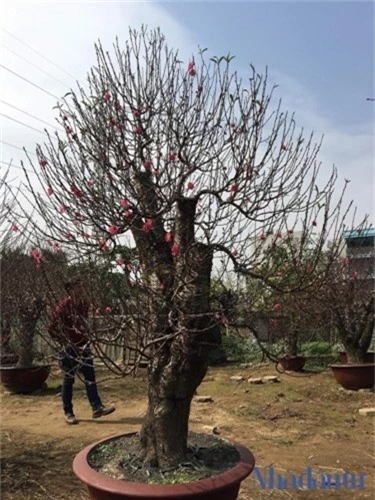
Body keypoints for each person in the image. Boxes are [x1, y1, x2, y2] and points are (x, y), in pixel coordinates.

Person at [48, 278, 115, 424]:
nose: (80, 289)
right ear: (70, 290)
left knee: (90, 376)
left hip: (83, 345)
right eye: (77, 287)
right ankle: (68, 412)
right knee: (69, 379)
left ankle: (96, 407)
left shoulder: (84, 304)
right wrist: (65, 341)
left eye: (81, 286)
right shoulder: (63, 307)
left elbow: (85, 323)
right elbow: (51, 328)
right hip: (69, 347)